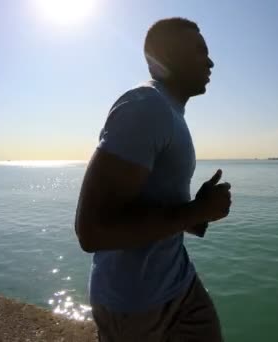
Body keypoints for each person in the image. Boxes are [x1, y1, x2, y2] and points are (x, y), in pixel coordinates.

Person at [74, 17, 230, 342]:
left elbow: (150, 204)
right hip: (135, 304)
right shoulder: (146, 107)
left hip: (178, 282)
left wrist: (197, 209)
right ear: (168, 55)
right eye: (200, 50)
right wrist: (196, 212)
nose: (211, 60)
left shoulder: (170, 113)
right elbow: (93, 230)